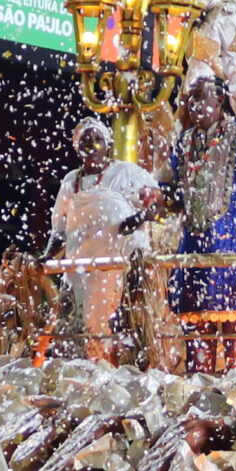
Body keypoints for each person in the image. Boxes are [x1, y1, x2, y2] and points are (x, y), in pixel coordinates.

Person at [158, 74, 236, 372]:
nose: (194, 106)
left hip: (235, 257)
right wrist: (156, 197)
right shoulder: (185, 142)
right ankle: (199, 406)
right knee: (197, 351)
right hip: (194, 258)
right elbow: (171, 193)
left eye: (202, 98)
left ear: (221, 100)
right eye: (190, 99)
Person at [48, 118, 158, 361]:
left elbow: (147, 207)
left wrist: (144, 215)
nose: (92, 146)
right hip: (81, 266)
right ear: (77, 148)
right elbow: (60, 227)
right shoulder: (71, 181)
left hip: (118, 265)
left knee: (120, 323)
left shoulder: (125, 173)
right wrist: (45, 258)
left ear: (107, 145)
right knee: (76, 329)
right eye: (86, 141)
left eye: (97, 140)